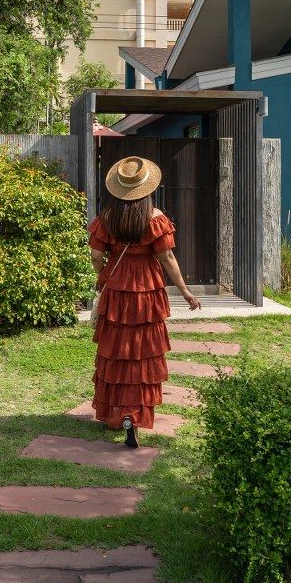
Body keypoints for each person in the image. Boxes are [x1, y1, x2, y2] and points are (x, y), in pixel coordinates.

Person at [87, 156, 200, 448]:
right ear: (147, 187)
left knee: (117, 349)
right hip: (147, 288)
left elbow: (97, 257)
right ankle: (135, 414)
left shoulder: (107, 219)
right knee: (142, 351)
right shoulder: (155, 218)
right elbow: (167, 258)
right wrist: (185, 291)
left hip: (116, 286)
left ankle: (119, 410)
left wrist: (104, 276)